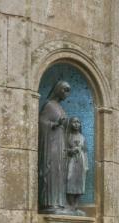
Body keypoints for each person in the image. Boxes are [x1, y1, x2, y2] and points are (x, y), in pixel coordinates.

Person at [38, 81, 71, 214]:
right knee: (51, 171)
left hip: (61, 143)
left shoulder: (60, 107)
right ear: (58, 90)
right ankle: (49, 203)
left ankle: (60, 203)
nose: (67, 93)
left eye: (68, 91)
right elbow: (41, 122)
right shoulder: (49, 105)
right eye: (65, 90)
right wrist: (55, 124)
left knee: (60, 172)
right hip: (50, 144)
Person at [65, 117, 88, 216]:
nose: (76, 124)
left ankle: (76, 206)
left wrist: (86, 165)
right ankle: (70, 205)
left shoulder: (83, 137)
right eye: (74, 122)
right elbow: (64, 150)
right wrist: (71, 150)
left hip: (81, 161)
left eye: (78, 122)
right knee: (70, 180)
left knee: (80, 183)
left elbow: (86, 152)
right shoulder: (67, 136)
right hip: (71, 161)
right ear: (70, 124)